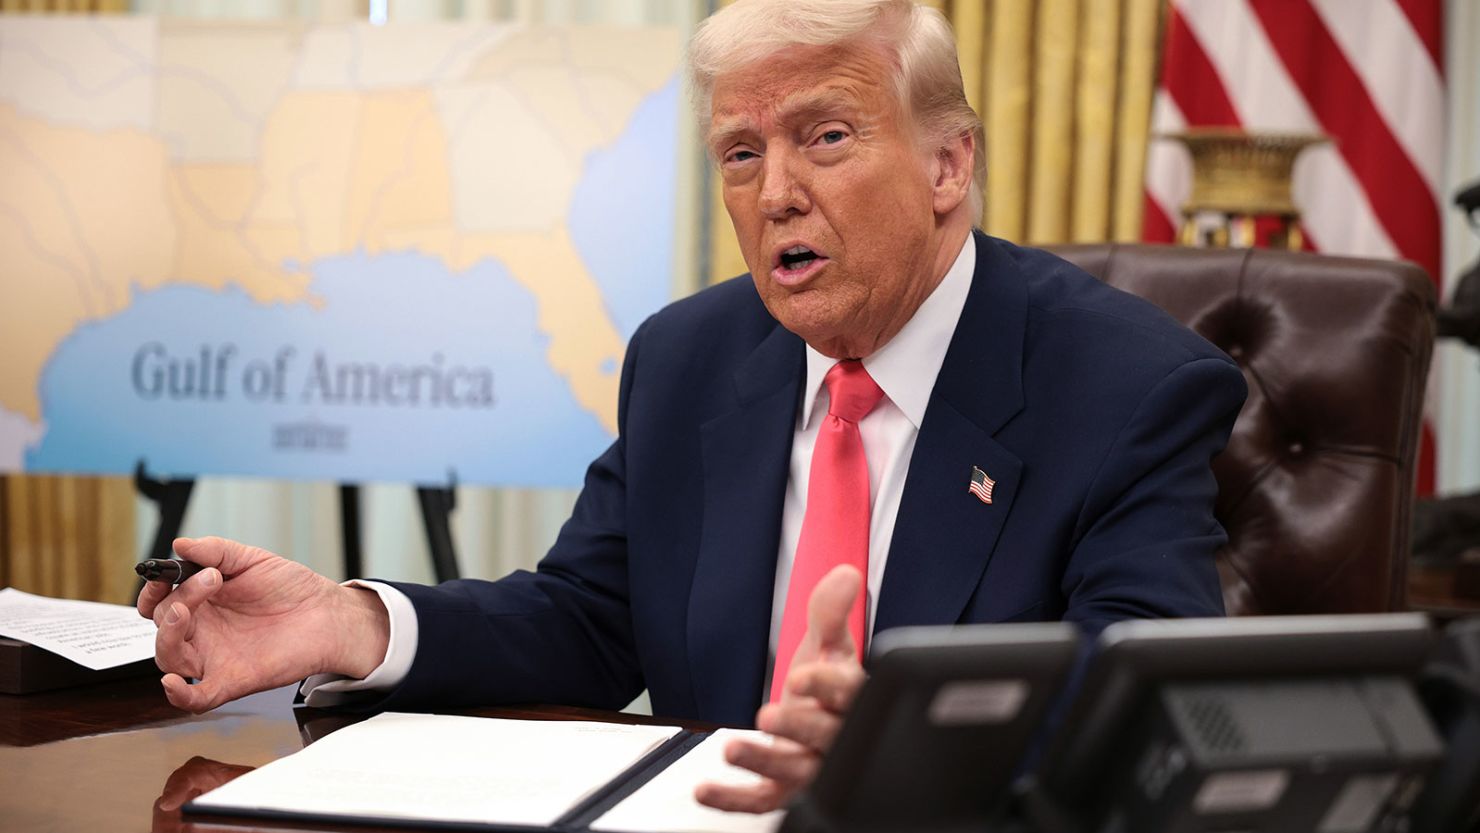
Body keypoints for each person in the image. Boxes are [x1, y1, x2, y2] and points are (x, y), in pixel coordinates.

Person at [138, 0, 1247, 815]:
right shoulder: (691, 356)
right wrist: (355, 623)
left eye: (826, 136)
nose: (776, 193)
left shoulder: (1123, 387)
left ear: (948, 163)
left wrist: (890, 750)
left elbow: (1146, 690)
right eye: (741, 152)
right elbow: (586, 618)